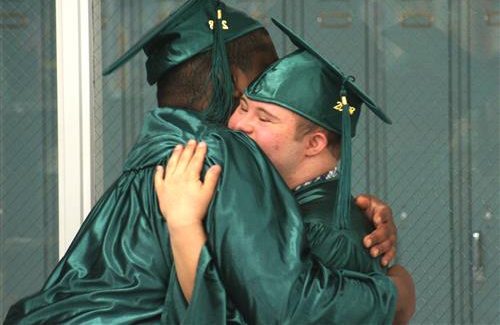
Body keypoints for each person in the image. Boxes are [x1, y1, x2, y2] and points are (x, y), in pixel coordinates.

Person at [6, 0, 400, 324]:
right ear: (233, 80)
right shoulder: (220, 153)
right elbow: (286, 305)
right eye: (259, 87)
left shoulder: (156, 151)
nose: (269, 91)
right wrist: (396, 292)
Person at [155, 19, 415, 324]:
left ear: (314, 143)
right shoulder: (280, 204)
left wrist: (184, 225)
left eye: (264, 118)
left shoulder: (323, 235)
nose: (239, 125)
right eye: (243, 106)